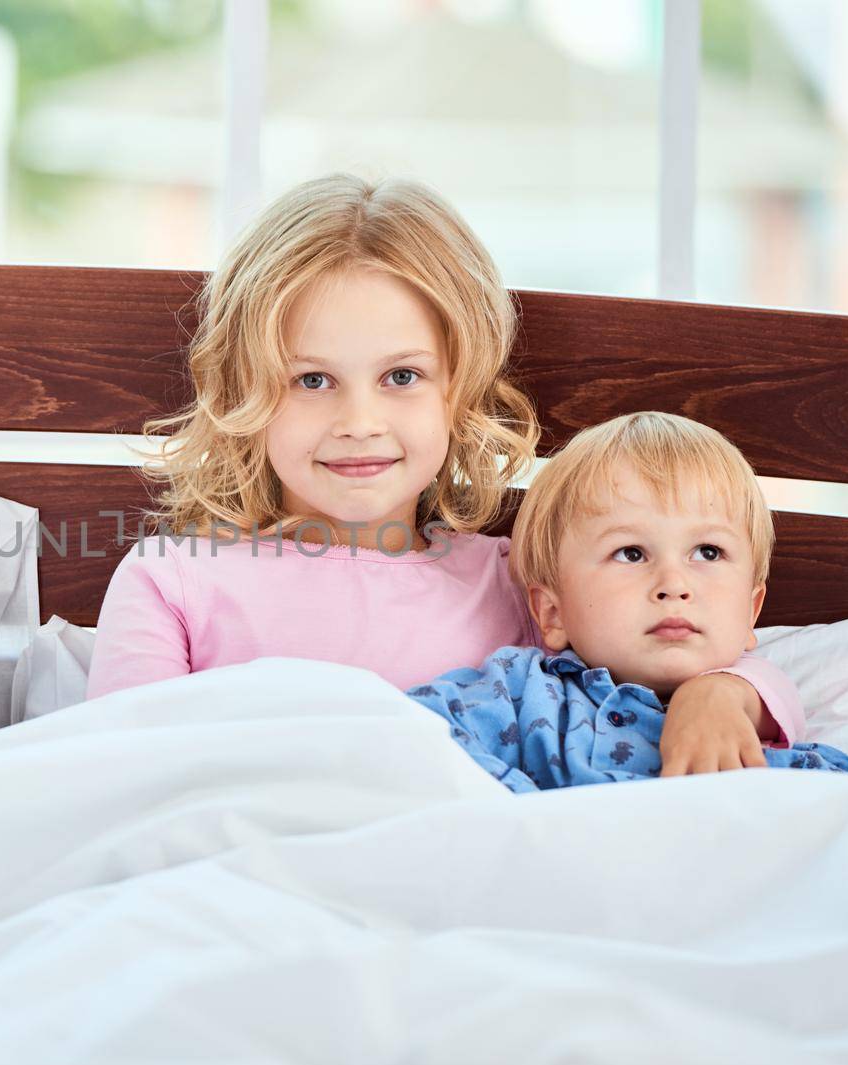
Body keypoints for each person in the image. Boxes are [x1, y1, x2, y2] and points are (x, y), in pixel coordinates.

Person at [86, 173, 803, 770]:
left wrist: (722, 694)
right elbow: (112, 778)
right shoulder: (174, 580)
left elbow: (695, 641)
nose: (358, 420)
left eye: (401, 376)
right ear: (247, 392)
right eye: (311, 381)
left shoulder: (523, 581)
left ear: (457, 391)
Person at [406, 412, 848, 791]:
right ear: (552, 612)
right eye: (631, 553)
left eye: (708, 551)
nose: (673, 584)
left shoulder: (773, 753)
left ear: (751, 611)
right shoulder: (523, 696)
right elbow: (402, 742)